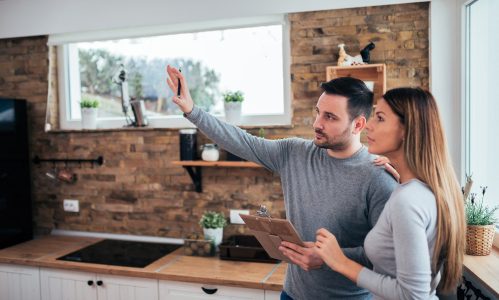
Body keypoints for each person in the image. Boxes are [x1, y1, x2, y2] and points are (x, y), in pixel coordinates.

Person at [166, 65, 397, 299]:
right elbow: (241, 141)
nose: (317, 123)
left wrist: (330, 257)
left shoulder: (378, 177)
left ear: (358, 125)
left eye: (329, 117)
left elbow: (388, 255)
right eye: (318, 112)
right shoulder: (294, 152)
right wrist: (192, 110)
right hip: (292, 294)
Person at [315, 87, 466, 299]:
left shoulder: (408, 200)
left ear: (406, 130)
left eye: (380, 118)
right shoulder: (419, 190)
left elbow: (413, 295)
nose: (368, 125)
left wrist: (341, 262)